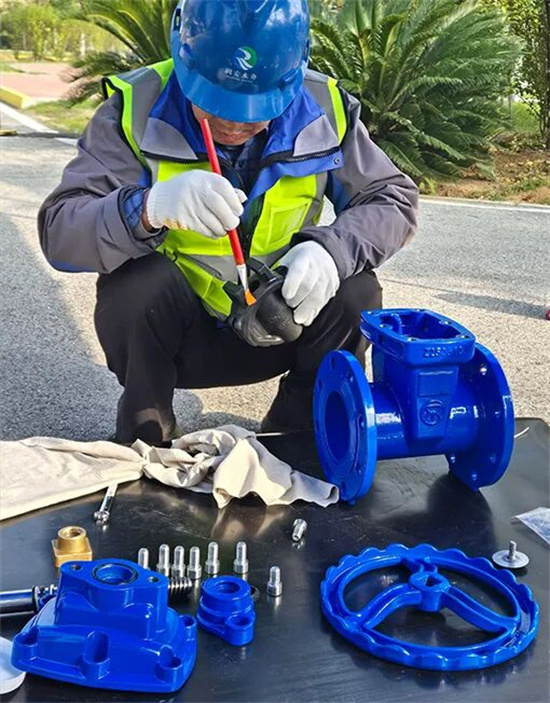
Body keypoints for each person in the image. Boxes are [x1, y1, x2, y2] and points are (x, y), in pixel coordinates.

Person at [38, 0, 418, 445]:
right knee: (135, 285)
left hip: (283, 322)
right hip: (182, 337)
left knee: (357, 290)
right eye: (216, 103)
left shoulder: (326, 109)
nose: (235, 122)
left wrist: (332, 252)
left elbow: (393, 198)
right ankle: (148, 421)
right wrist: (146, 209)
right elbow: (60, 230)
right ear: (183, 58)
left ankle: (299, 425)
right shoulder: (133, 109)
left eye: (257, 109)